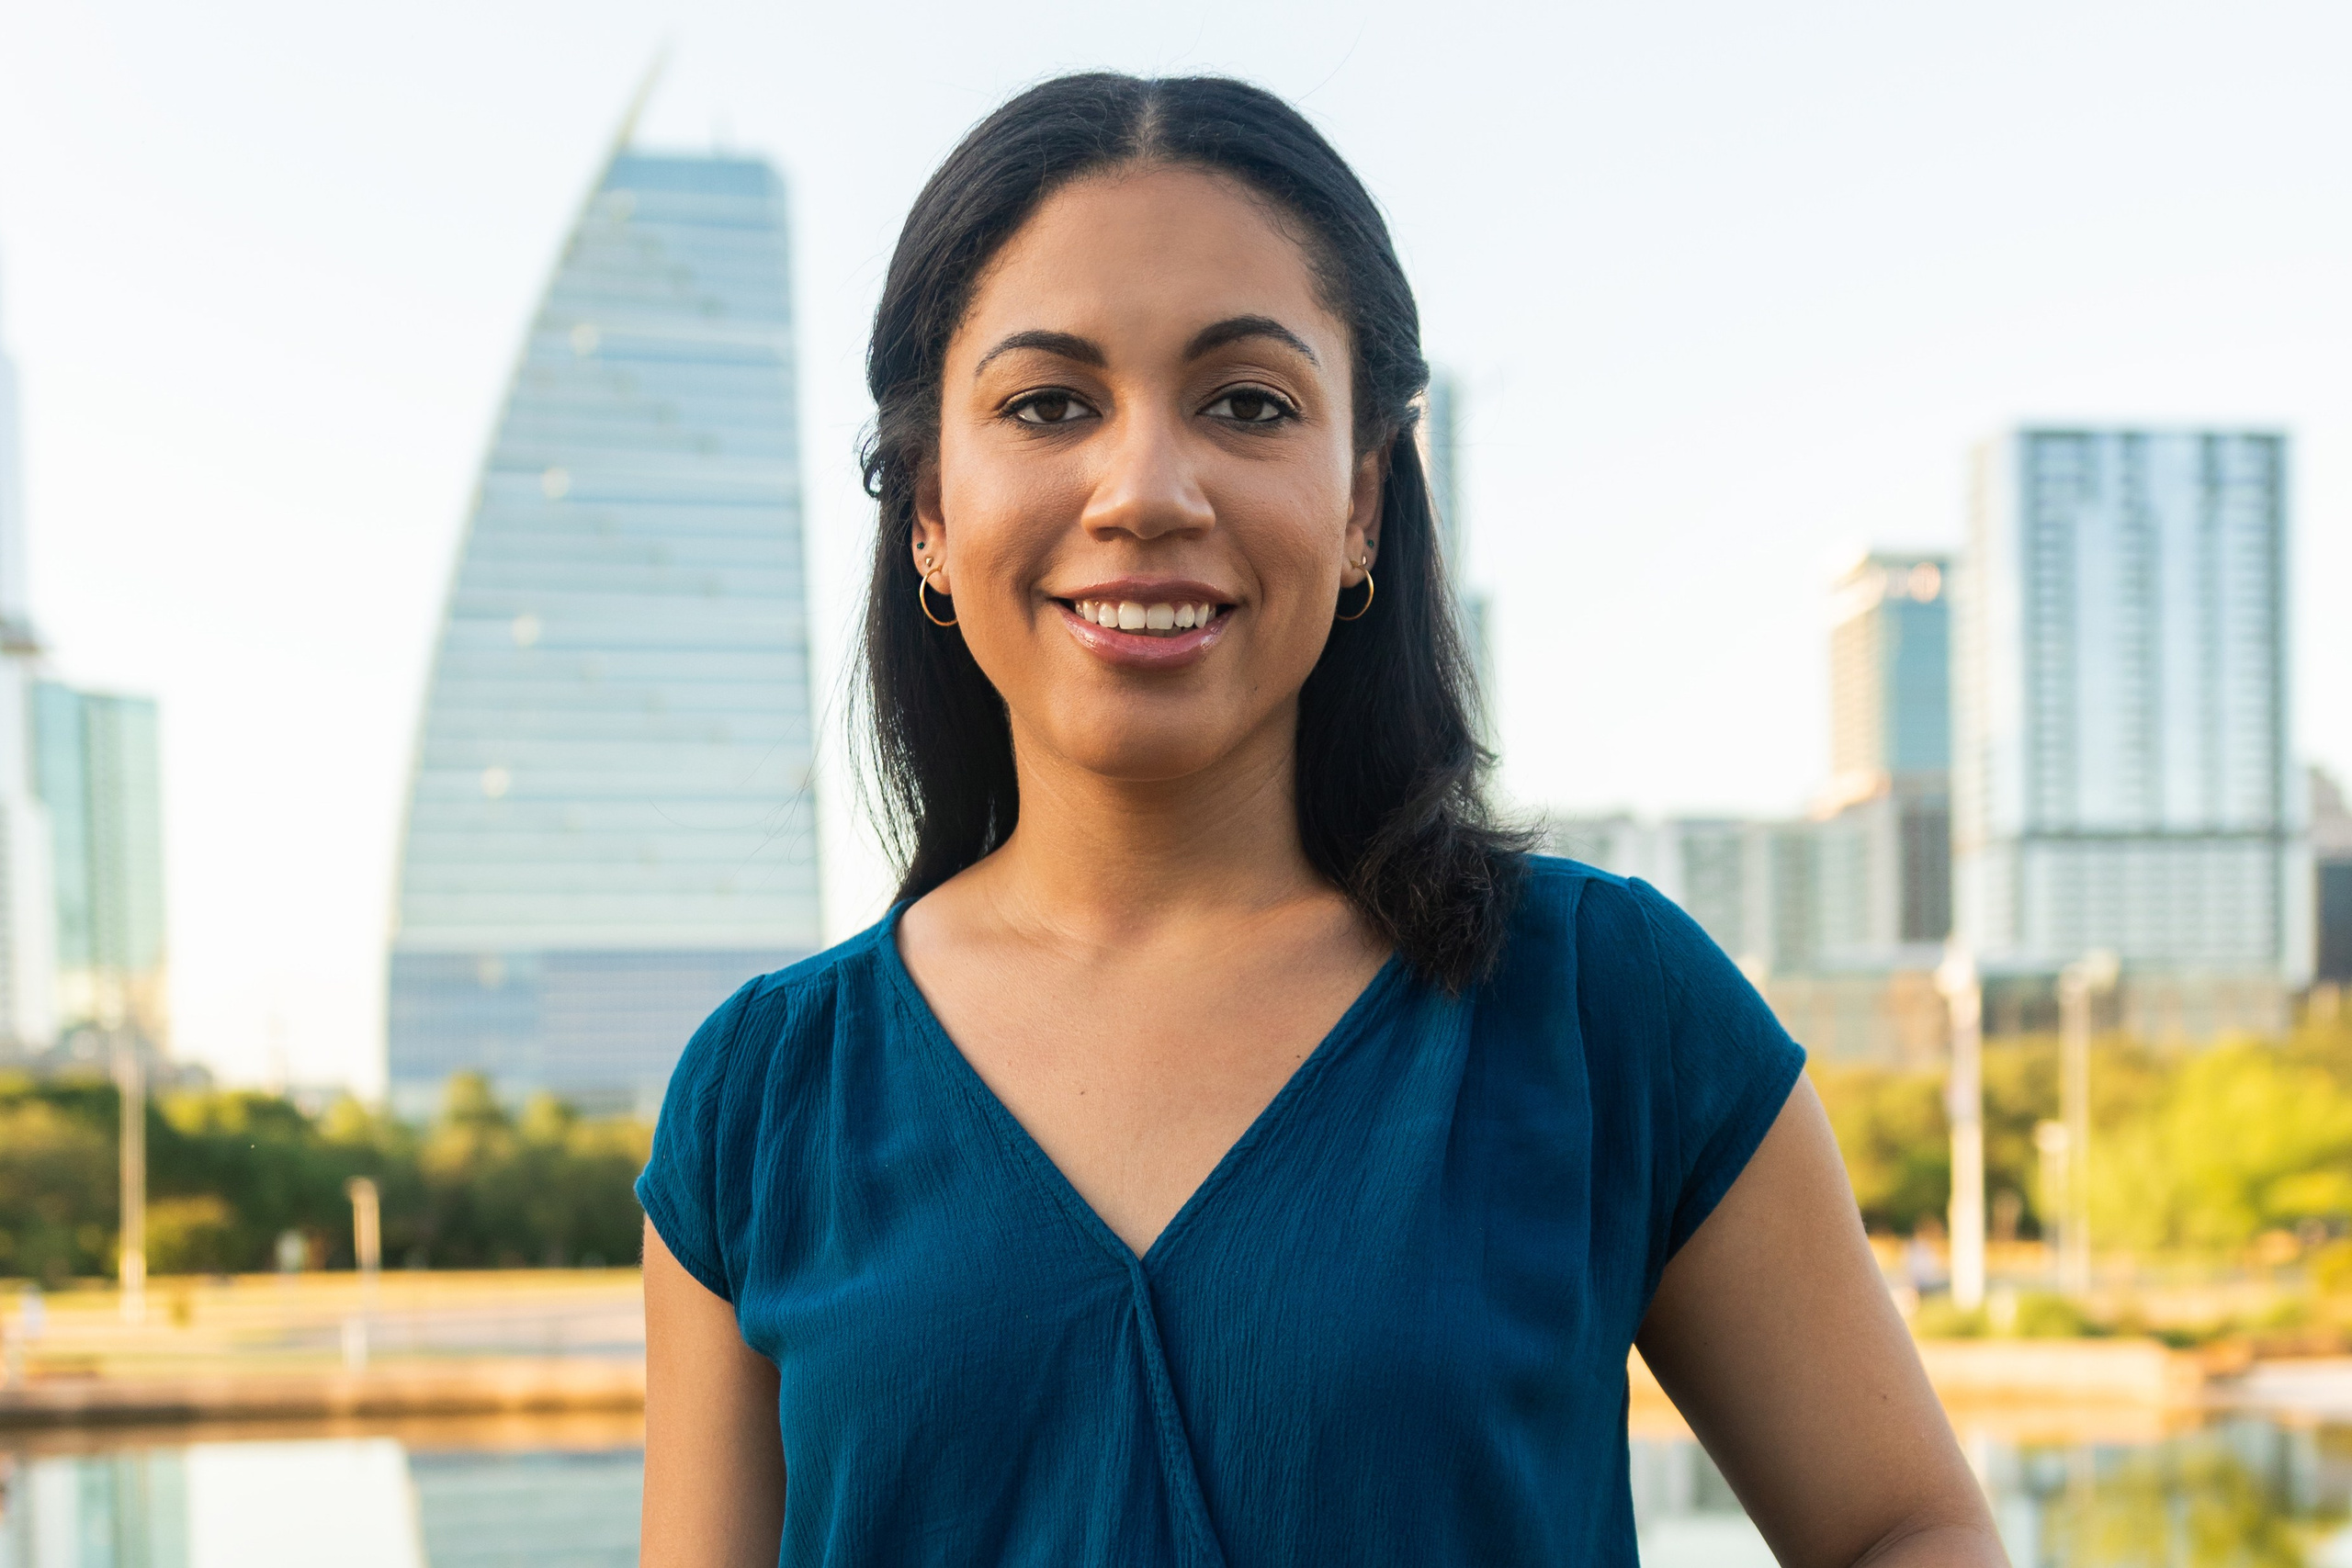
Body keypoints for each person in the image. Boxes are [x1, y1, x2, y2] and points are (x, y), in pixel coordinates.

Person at [638, 71, 2005, 1568]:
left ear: (1362, 500)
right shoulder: (761, 1101)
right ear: (930, 516)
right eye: (1046, 404)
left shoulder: (1608, 1004)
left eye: (1247, 403)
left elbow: (1906, 1527)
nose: (1145, 488)